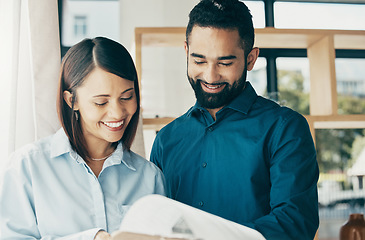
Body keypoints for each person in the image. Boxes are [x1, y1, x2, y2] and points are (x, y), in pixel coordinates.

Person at [150, 0, 319, 239]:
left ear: (250, 59)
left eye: (225, 62)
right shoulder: (166, 140)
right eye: (199, 61)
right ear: (186, 51)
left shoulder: (286, 129)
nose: (210, 75)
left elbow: (294, 223)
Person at [0, 37, 166, 240]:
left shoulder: (150, 177)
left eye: (126, 97)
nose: (117, 113)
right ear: (72, 100)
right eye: (101, 102)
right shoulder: (27, 167)